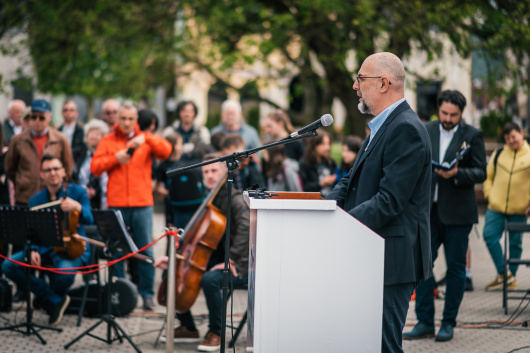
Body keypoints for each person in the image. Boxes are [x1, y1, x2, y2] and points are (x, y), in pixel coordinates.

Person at [325, 52, 432, 353]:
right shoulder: (381, 126)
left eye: (360, 78)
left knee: (384, 345)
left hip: (393, 258)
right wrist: (322, 210)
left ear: (384, 83)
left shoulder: (405, 128)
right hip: (374, 251)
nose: (355, 86)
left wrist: (339, 225)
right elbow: (350, 181)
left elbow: (389, 201)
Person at [404, 89, 487, 342]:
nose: (448, 118)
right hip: (427, 211)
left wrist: (459, 174)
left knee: (456, 269)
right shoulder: (425, 129)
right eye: (444, 113)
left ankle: (448, 322)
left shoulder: (473, 135)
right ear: (438, 109)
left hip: (459, 213)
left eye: (453, 115)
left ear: (461, 113)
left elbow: (481, 172)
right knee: (423, 267)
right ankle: (425, 321)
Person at [154, 153, 249, 351]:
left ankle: (217, 331)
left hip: (241, 265)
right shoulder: (211, 197)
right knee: (169, 273)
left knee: (211, 280)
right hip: (216, 257)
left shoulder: (236, 199)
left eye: (214, 170)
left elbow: (246, 228)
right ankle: (188, 328)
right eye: (206, 171)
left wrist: (231, 259)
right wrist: (175, 258)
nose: (210, 175)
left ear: (225, 171)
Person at [90, 101, 172, 310]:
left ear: (136, 120)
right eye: (123, 118)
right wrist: (115, 159)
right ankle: (120, 291)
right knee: (116, 249)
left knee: (145, 249)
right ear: (117, 119)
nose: (126, 123)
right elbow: (95, 168)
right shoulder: (108, 140)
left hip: (142, 202)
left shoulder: (145, 139)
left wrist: (147, 137)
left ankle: (147, 295)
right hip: (116, 204)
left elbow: (166, 151)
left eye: (130, 119)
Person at [1, 154, 94, 326]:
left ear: (64, 172)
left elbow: (90, 219)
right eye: (47, 170)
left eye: (56, 169)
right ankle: (53, 299)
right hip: (44, 249)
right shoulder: (36, 199)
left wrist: (78, 207)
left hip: (71, 248)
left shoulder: (78, 193)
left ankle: (49, 299)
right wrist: (33, 249)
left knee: (65, 274)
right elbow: (32, 231)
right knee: (8, 265)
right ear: (42, 174)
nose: (52, 173)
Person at [482, 122, 530, 291]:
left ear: (521, 134)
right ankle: (505, 274)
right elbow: (488, 176)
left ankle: (512, 278)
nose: (511, 140)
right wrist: (489, 195)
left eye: (513, 136)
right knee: (489, 236)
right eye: (507, 138)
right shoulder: (499, 153)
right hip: (496, 207)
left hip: (520, 209)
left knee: (515, 244)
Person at [5, 98, 73, 205]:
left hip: (51, 198)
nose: (37, 120)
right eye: (33, 117)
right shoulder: (17, 139)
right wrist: (22, 183)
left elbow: (68, 169)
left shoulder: (60, 139)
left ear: (49, 117)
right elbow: (10, 168)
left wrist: (58, 188)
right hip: (24, 198)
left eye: (41, 117)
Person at [155, 133, 205, 231]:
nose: (182, 147)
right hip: (173, 205)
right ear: (173, 146)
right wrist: (171, 193)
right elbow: (157, 187)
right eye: (180, 144)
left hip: (190, 203)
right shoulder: (163, 166)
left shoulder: (186, 159)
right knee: (175, 231)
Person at [71, 119, 109, 210]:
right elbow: (72, 175)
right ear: (86, 136)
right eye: (91, 133)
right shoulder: (77, 153)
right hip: (77, 199)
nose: (94, 136)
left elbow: (105, 180)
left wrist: (94, 191)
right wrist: (81, 190)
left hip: (97, 202)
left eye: (97, 134)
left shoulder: (106, 156)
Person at [299, 130, 336, 197]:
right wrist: (322, 183)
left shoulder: (330, 162)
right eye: (323, 144)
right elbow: (304, 188)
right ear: (314, 145)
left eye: (328, 144)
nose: (327, 147)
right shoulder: (305, 163)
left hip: (331, 200)